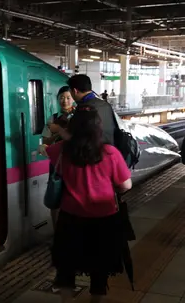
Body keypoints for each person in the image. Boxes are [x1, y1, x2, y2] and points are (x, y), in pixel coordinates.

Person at [46, 106, 132, 303]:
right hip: (103, 220)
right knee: (99, 268)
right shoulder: (110, 153)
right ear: (98, 128)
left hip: (70, 219)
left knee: (66, 267)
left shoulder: (60, 151)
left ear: (73, 127)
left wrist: (64, 132)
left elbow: (48, 147)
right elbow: (125, 185)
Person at [39, 86, 75, 228]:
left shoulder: (78, 116)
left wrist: (59, 130)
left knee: (72, 196)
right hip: (56, 163)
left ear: (73, 99)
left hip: (73, 162)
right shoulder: (53, 118)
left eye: (67, 97)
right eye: (61, 97)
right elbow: (45, 140)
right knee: (55, 195)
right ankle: (57, 231)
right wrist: (55, 135)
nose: (64, 101)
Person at [51, 74, 117, 146]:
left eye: (70, 91)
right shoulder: (105, 105)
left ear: (75, 91)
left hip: (92, 154)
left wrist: (58, 129)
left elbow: (74, 138)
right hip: (109, 151)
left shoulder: (83, 109)